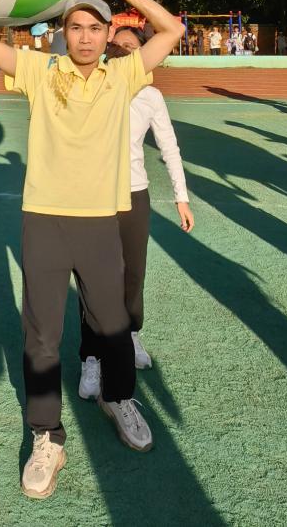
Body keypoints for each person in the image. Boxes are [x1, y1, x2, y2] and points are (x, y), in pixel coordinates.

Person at [0, 0, 185, 500]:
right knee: (41, 331)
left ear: (109, 34)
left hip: (100, 220)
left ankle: (119, 399)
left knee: (112, 324)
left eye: (95, 27)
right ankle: (46, 436)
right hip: (45, 218)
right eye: (76, 28)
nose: (86, 37)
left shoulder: (124, 75)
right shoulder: (41, 70)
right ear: (63, 34)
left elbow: (171, 29)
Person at [77, 29, 192, 400]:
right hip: (94, 198)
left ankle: (131, 334)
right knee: (92, 280)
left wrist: (181, 197)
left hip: (133, 196)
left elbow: (169, 147)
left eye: (132, 46)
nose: (124, 50)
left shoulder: (151, 96)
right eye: (119, 45)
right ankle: (91, 357)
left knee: (132, 274)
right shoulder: (92, 87)